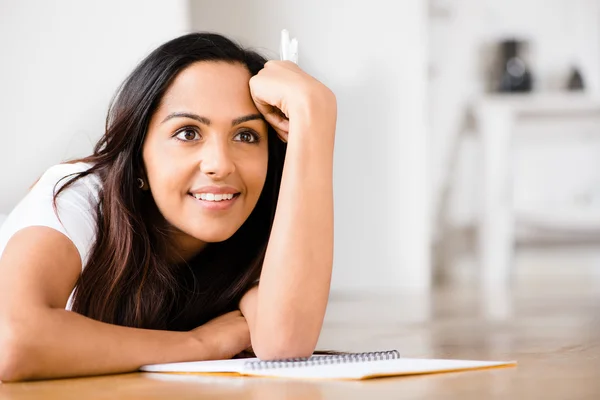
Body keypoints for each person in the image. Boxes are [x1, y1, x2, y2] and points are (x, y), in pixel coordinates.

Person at [0, 32, 336, 382]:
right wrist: (199, 344)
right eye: (188, 133)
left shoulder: (259, 219)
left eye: (245, 136)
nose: (219, 165)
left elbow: (284, 343)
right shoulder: (77, 196)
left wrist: (315, 115)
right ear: (139, 154)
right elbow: (12, 342)